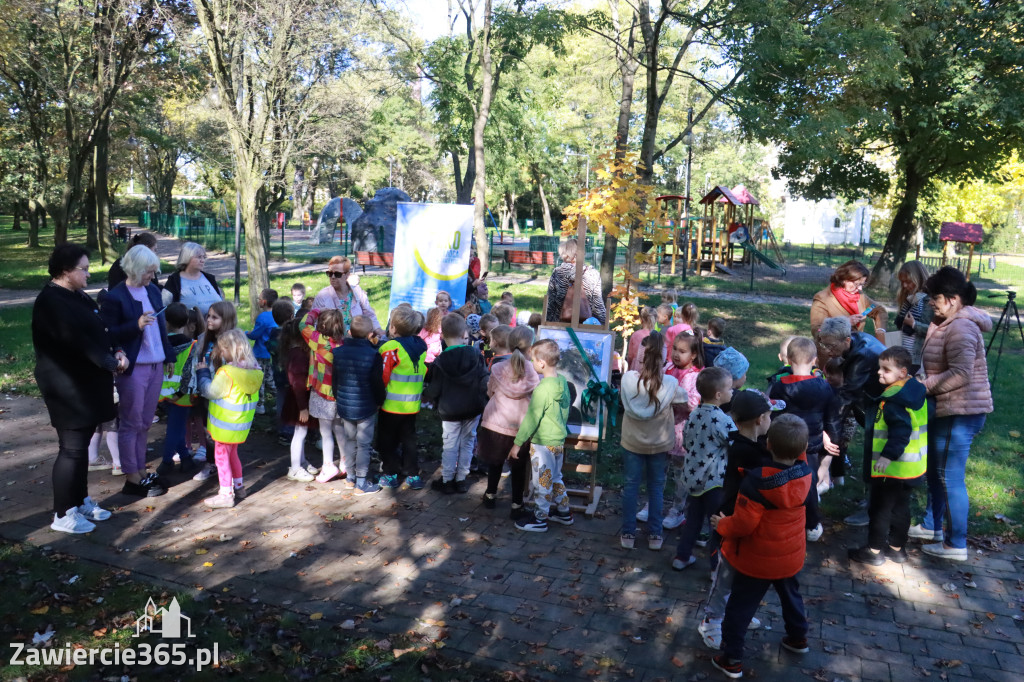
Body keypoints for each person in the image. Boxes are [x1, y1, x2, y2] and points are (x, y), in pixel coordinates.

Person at [710, 414, 813, 680]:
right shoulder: (805, 471)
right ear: (803, 450)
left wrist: (722, 525)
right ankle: (798, 637)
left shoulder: (757, 482)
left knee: (739, 607)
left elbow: (743, 525)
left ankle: (731, 658)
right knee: (791, 596)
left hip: (756, 560)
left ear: (767, 445)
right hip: (789, 557)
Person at [34, 243, 126, 533]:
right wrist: (114, 363)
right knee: (71, 449)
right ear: (64, 271)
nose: (88, 274)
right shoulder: (51, 302)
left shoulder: (77, 296)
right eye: (83, 269)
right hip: (67, 389)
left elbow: (101, 329)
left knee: (81, 447)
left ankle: (80, 500)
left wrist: (118, 349)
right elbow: (80, 343)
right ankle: (63, 513)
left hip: (88, 386)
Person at [911, 267, 992, 561]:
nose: (930, 302)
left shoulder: (961, 328)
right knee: (937, 471)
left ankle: (956, 543)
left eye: (935, 297)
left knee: (951, 477)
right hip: (946, 409)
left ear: (953, 299)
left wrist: (924, 386)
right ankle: (932, 526)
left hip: (960, 411)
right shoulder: (945, 322)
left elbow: (961, 374)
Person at [698, 389, 774, 649]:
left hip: (744, 522)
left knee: (741, 572)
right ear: (759, 419)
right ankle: (711, 621)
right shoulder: (748, 452)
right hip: (729, 520)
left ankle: (734, 612)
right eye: (770, 416)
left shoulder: (748, 445)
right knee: (725, 576)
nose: (771, 421)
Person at [100, 244, 174, 498]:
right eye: (148, 272)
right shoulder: (116, 296)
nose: (152, 277)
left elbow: (162, 325)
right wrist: (137, 324)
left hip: (155, 364)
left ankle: (141, 469)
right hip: (134, 368)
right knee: (131, 422)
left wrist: (169, 355)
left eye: (154, 272)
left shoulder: (152, 290)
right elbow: (108, 334)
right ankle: (131, 475)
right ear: (134, 268)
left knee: (144, 422)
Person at [849, 347, 928, 566]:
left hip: (891, 467)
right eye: (879, 368)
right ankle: (897, 548)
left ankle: (874, 551)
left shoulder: (894, 400)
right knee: (901, 508)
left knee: (880, 509)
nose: (879, 373)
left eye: (886, 370)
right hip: (911, 468)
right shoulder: (914, 389)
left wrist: (886, 457)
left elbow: (900, 433)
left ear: (903, 372)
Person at [619, 331, 684, 551]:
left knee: (631, 486)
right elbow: (685, 398)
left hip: (632, 442)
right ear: (663, 357)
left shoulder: (628, 380)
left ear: (640, 356)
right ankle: (655, 535)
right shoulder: (671, 383)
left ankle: (628, 532)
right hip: (660, 442)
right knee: (656, 488)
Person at [815, 316, 886, 516]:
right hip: (872, 401)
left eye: (831, 346)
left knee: (875, 452)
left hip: (884, 406)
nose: (828, 351)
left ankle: (873, 506)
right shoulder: (855, 341)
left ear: (846, 340)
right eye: (824, 344)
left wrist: (827, 430)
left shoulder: (862, 355)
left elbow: (847, 397)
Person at [767, 336, 840, 527]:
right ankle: (812, 522)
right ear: (814, 360)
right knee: (810, 479)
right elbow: (831, 417)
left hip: (785, 441)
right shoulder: (824, 386)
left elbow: (774, 415)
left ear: (788, 360)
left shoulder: (779, 386)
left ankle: (783, 513)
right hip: (811, 442)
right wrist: (832, 438)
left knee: (783, 476)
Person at [672, 367, 735, 571]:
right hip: (713, 481)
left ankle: (681, 557)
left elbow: (687, 441)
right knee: (716, 524)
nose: (732, 391)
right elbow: (735, 442)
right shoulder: (722, 419)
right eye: (730, 388)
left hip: (692, 477)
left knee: (693, 520)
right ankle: (715, 567)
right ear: (719, 395)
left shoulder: (695, 414)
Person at [511, 339, 574, 533]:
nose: (531, 363)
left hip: (542, 444)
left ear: (542, 363)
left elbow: (531, 419)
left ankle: (540, 519)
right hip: (557, 441)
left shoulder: (542, 389)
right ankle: (564, 512)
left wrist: (517, 443)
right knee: (555, 477)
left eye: (532, 360)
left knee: (542, 482)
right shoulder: (562, 382)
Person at [196, 329, 263, 508]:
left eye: (222, 350)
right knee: (233, 455)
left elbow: (211, 392)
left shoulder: (227, 373)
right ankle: (239, 487)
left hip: (224, 427)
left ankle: (226, 493)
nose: (221, 353)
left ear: (230, 350)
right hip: (239, 427)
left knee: (221, 458)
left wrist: (202, 374)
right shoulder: (254, 371)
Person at [425, 314, 490, 494]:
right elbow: (485, 378)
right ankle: (461, 479)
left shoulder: (440, 361)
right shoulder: (476, 354)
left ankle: (447, 480)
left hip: (450, 410)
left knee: (450, 444)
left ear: (442, 336)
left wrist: (427, 397)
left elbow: (434, 389)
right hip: (473, 408)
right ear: (464, 334)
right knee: (468, 442)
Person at [478, 326, 540, 514]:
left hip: (495, 423)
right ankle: (516, 504)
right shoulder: (534, 372)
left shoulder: (497, 368)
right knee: (519, 467)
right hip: (520, 427)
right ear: (531, 348)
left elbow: (490, 391)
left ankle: (490, 494)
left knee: (495, 462)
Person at [332, 315, 386, 495]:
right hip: (366, 406)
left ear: (349, 332)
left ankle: (350, 478)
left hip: (345, 404)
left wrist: (338, 397)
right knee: (364, 444)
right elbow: (377, 382)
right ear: (370, 334)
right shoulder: (373, 354)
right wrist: (380, 401)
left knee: (350, 440)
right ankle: (361, 483)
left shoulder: (338, 352)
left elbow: (335, 379)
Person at [377, 306, 429, 490]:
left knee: (387, 441)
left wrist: (377, 396)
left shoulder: (390, 348)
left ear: (393, 328)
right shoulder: (421, 346)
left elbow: (383, 375)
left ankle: (391, 474)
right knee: (409, 440)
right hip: (412, 405)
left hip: (391, 405)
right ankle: (413, 475)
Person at [190, 300, 237, 481]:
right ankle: (212, 463)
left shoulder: (233, 341)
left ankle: (229, 467)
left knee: (224, 434)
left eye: (214, 317)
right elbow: (196, 361)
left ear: (226, 319)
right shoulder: (203, 338)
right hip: (205, 392)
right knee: (208, 431)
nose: (209, 320)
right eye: (208, 316)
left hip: (225, 395)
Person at [810, 260, 887, 367]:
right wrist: (844, 323)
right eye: (857, 284)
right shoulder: (822, 299)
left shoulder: (859, 296)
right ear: (844, 280)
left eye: (862, 284)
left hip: (855, 355)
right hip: (832, 359)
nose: (860, 289)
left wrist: (880, 333)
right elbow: (817, 331)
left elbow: (879, 310)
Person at [301, 309, 347, 484]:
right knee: (339, 428)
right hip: (340, 393)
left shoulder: (318, 341)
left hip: (322, 392)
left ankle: (328, 465)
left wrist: (314, 310)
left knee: (325, 432)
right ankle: (345, 463)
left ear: (321, 326)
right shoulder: (344, 344)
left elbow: (302, 324)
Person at [157, 303, 200, 476]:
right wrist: (180, 393)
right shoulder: (191, 345)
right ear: (186, 322)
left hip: (163, 392)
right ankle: (166, 462)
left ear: (166, 321)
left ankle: (185, 458)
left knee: (176, 427)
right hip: (182, 395)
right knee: (175, 429)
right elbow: (189, 373)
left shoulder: (161, 344)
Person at [279, 319, 317, 482]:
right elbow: (298, 382)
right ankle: (295, 468)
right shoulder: (298, 355)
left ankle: (301, 461)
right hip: (299, 400)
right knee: (300, 433)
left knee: (301, 431)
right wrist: (303, 407)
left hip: (299, 399)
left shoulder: (296, 352)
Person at [311, 256, 383, 334]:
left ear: (347, 275)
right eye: (330, 273)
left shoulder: (357, 291)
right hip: (332, 342)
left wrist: (378, 330)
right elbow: (314, 323)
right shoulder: (322, 296)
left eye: (337, 274)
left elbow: (370, 314)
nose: (333, 277)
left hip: (359, 338)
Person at [545, 239, 607, 325]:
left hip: (561, 325)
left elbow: (551, 304)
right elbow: (598, 304)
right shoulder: (593, 274)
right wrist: (603, 326)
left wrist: (548, 325)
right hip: (587, 325)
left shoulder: (558, 273)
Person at [161, 242, 223, 314]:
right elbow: (163, 308)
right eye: (199, 257)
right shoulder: (174, 281)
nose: (202, 260)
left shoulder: (210, 278)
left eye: (204, 257)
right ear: (187, 258)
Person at [247, 288, 280, 415]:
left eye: (259, 299)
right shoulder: (277, 314)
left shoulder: (263, 317)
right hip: (272, 353)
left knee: (258, 379)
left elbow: (255, 335)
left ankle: (260, 404)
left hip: (260, 353)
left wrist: (246, 333)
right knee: (270, 377)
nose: (258, 301)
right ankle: (279, 399)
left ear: (264, 302)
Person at [895, 260, 932, 371]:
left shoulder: (929, 300)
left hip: (917, 356)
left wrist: (914, 324)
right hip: (903, 351)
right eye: (902, 282)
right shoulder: (909, 298)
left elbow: (933, 330)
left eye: (908, 281)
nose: (905, 286)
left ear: (919, 279)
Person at [626, 306, 656, 371]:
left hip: (637, 367)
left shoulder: (635, 335)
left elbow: (630, 356)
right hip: (652, 369)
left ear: (641, 320)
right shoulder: (657, 336)